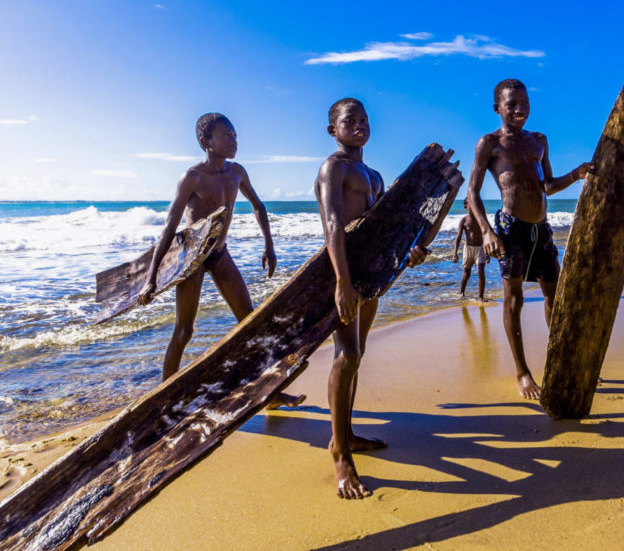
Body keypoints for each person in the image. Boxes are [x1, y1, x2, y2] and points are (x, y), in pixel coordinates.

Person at [139, 113, 304, 409]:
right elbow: (169, 226)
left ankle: (270, 393)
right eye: (227, 136)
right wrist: (151, 277)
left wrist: (270, 246)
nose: (234, 141)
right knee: (184, 330)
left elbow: (259, 206)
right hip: (192, 258)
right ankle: (161, 403)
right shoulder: (192, 177)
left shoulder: (237, 172)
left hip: (220, 252)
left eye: (235, 136)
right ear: (206, 142)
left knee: (250, 321)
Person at [316, 97, 430, 499]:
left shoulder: (375, 175)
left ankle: (345, 432)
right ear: (334, 129)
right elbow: (332, 222)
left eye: (364, 119)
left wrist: (411, 249)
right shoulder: (334, 167)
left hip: (370, 274)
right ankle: (340, 456)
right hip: (343, 271)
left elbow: (386, 226)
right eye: (350, 120)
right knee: (345, 355)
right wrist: (341, 282)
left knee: (357, 354)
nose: (360, 124)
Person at [466, 79, 593, 400]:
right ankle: (522, 372)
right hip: (511, 229)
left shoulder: (539, 141)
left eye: (524, 103)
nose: (520, 109)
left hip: (541, 229)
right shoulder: (489, 143)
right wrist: (487, 232)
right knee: (514, 300)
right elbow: (472, 193)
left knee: (556, 297)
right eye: (512, 104)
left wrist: (575, 175)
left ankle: (561, 357)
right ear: (498, 108)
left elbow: (547, 186)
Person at [453, 199, 489, 300]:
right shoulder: (464, 220)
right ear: (465, 207)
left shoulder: (480, 219)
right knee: (466, 273)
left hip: (480, 249)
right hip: (468, 249)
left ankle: (481, 296)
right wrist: (455, 253)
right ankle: (461, 293)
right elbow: (458, 237)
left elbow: (486, 234)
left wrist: (488, 252)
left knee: (480, 271)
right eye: (470, 204)